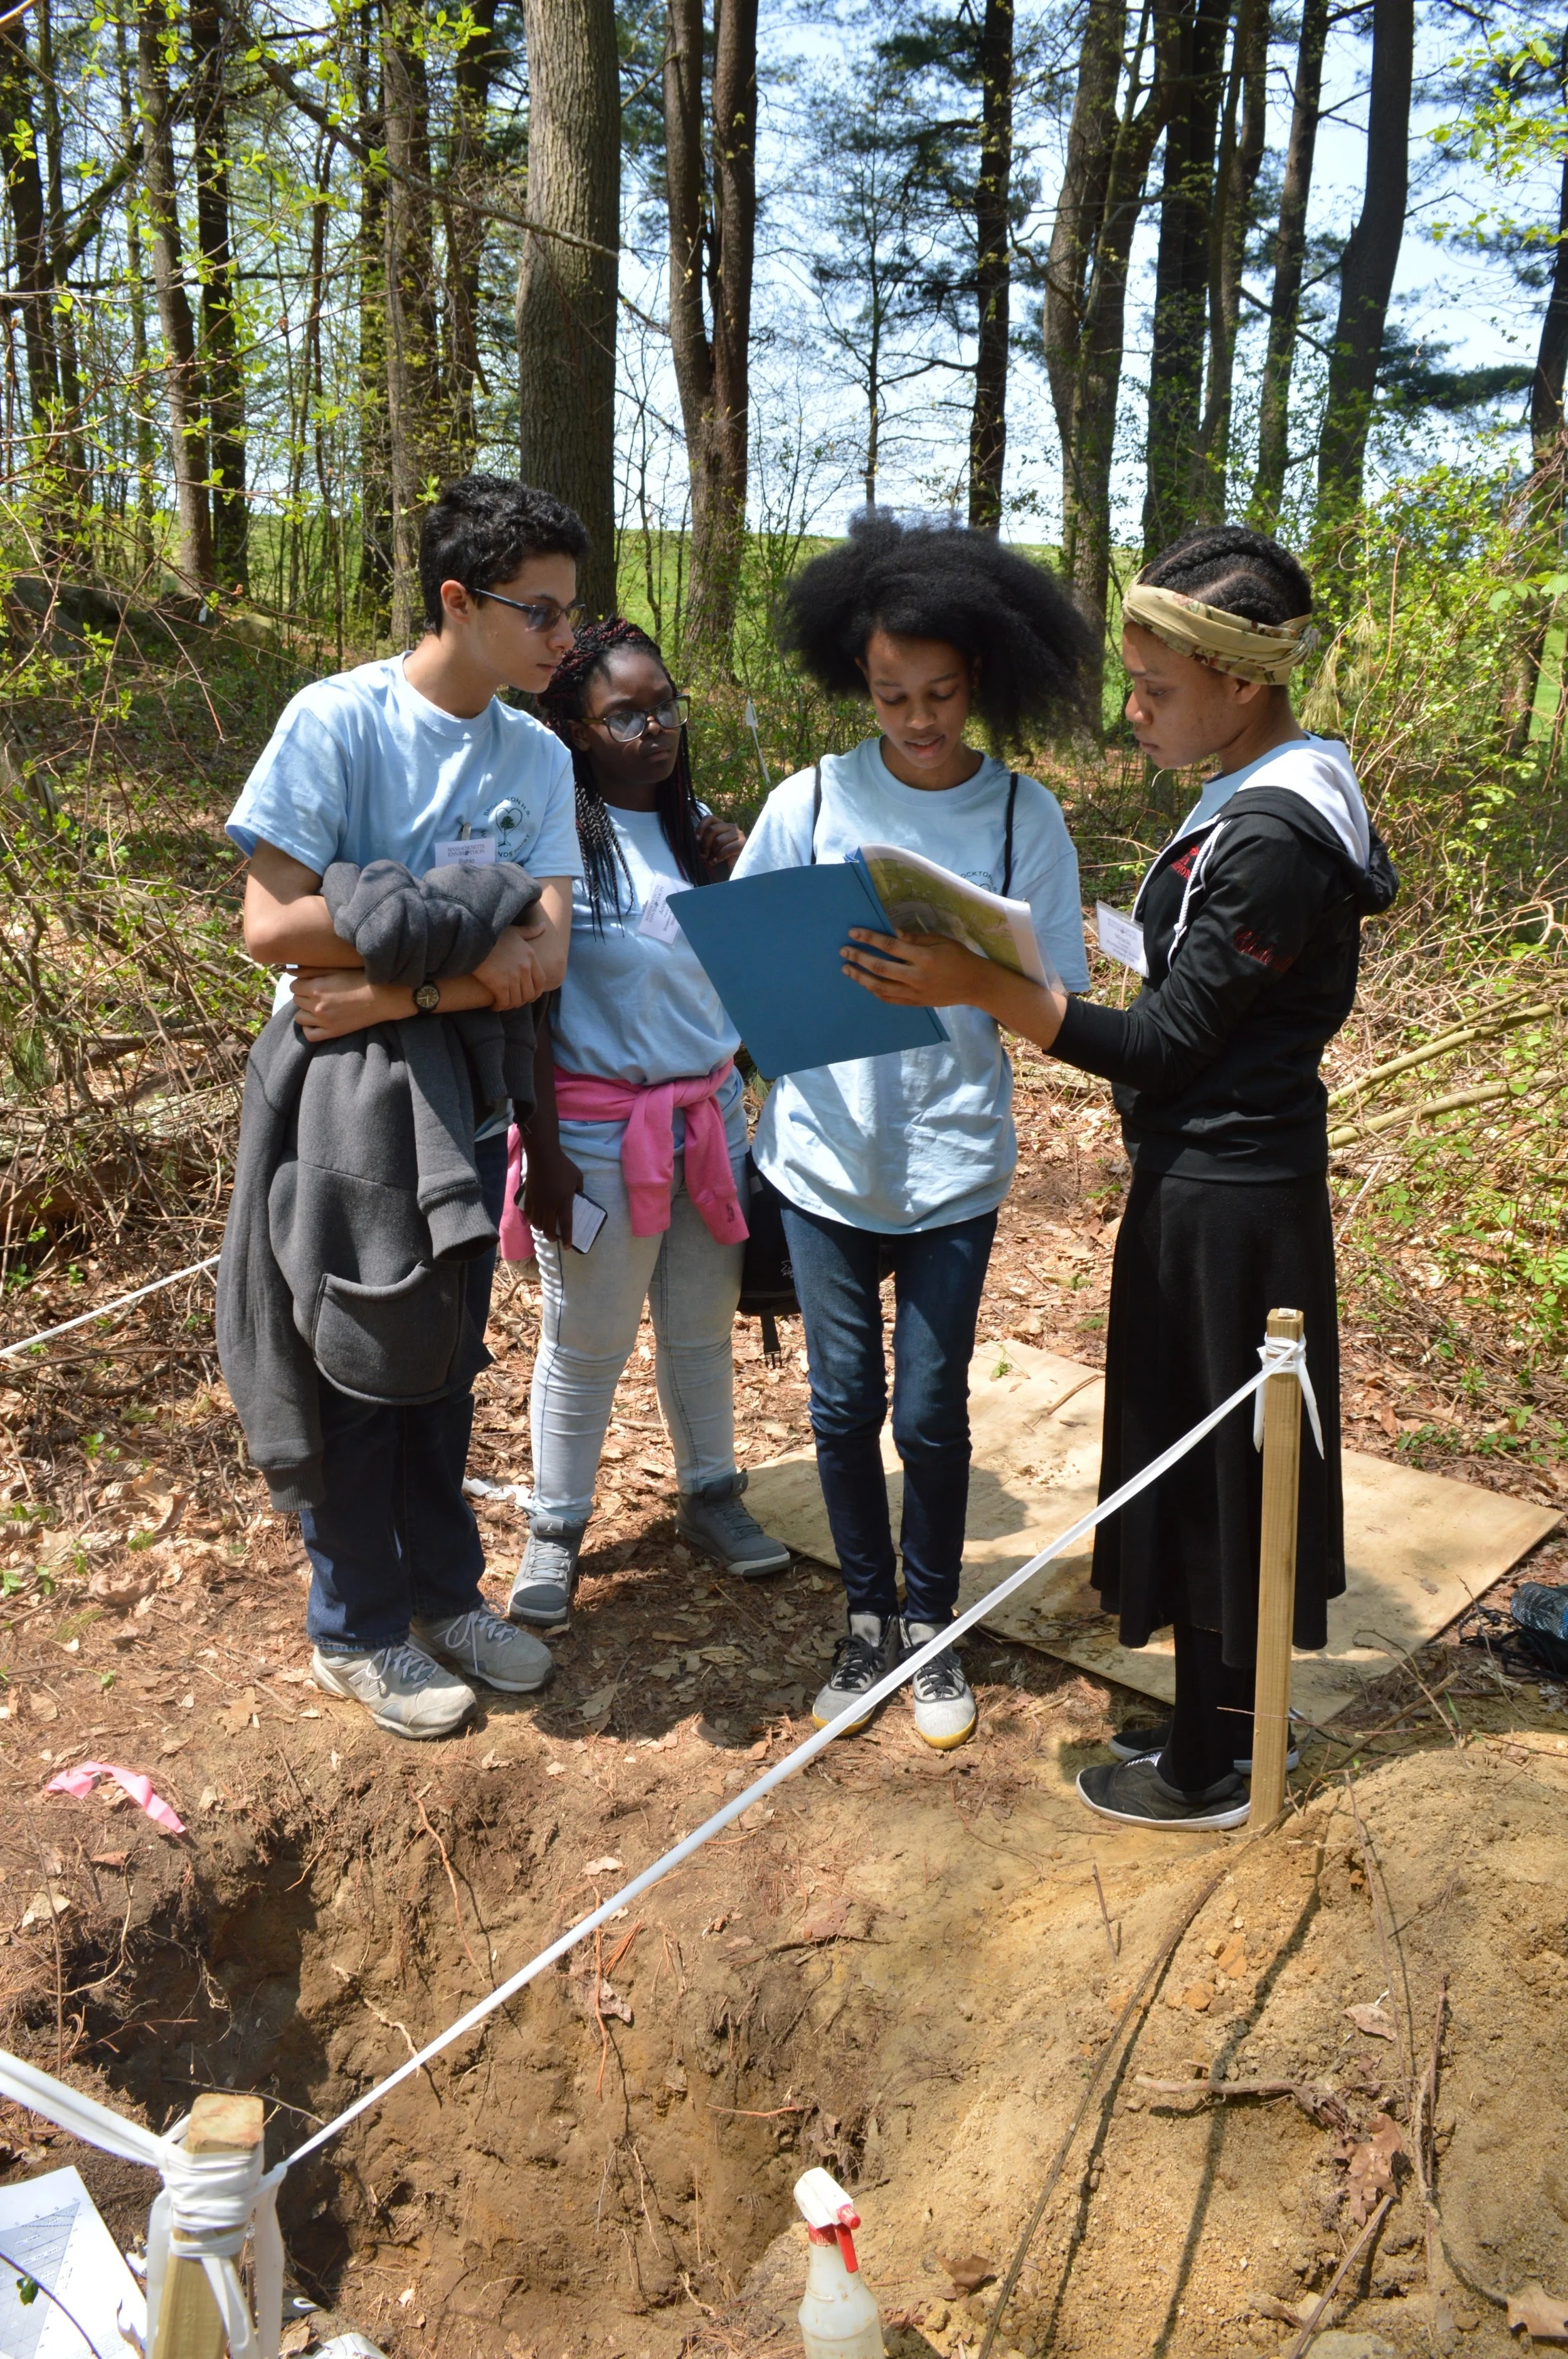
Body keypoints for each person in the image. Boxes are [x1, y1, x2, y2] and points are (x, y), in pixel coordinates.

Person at [840, 523, 1396, 1824]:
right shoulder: (1255, 792)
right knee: (1213, 1458)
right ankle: (1221, 1717)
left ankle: (1210, 1767)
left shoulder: (1275, 835)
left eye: (1154, 689)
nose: (1131, 712)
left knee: (1210, 1466)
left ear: (1241, 683)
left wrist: (982, 982)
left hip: (1228, 1200)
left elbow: (1161, 1045)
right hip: (1211, 1176)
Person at [225, 475, 590, 1739]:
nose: (562, 641)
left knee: (440, 1369)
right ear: (457, 601)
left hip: (463, 1103)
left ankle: (445, 1598)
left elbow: (545, 952)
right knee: (355, 1361)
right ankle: (357, 1628)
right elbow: (272, 924)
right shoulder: (337, 723)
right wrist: (468, 949)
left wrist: (395, 988)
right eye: (540, 613)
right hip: (343, 1111)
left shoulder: (537, 755)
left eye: (569, 614)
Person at [732, 514, 1094, 1750]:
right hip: (821, 1160)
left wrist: (963, 976)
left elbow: (1056, 1008)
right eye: (891, 696)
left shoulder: (1023, 818)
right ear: (859, 678)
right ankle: (868, 1616)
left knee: (930, 1413)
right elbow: (747, 969)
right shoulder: (810, 800)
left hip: (952, 1165)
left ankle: (932, 1624)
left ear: (977, 677)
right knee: (842, 1405)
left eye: (939, 694)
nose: (917, 719)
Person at [510, 618, 792, 1627]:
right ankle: (554, 1531)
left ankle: (712, 1496)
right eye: (625, 715)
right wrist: (544, 1154)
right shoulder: (557, 843)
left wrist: (737, 882)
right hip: (592, 1133)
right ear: (576, 732)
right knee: (586, 1340)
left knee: (701, 1327)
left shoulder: (699, 829)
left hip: (708, 1119)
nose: (656, 728)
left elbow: (753, 984)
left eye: (665, 705)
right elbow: (531, 1011)